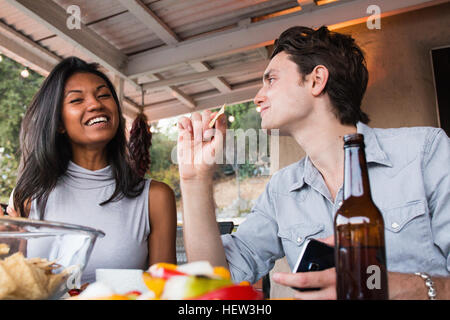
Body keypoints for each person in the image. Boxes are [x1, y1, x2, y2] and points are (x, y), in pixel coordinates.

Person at [177, 26, 450, 299]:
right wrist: (194, 179)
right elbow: (217, 279)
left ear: (316, 80)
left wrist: (396, 286)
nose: (258, 97)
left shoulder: (424, 153)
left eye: (270, 80)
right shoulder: (281, 190)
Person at [1, 57, 177, 283]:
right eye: (76, 100)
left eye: (104, 95)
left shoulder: (155, 198)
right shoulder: (28, 195)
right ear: (59, 124)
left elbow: (167, 291)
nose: (95, 104)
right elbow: (12, 287)